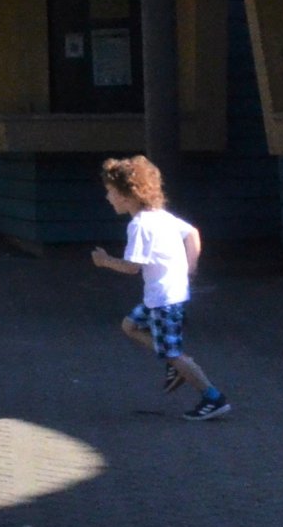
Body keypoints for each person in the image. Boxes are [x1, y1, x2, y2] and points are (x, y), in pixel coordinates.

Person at [91, 155, 230, 420]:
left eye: (110, 191)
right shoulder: (161, 216)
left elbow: (133, 267)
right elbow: (193, 234)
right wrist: (190, 269)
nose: (108, 198)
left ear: (127, 195)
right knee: (130, 325)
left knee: (174, 353)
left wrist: (105, 261)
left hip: (163, 300)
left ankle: (213, 397)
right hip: (170, 294)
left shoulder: (139, 225)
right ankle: (175, 363)